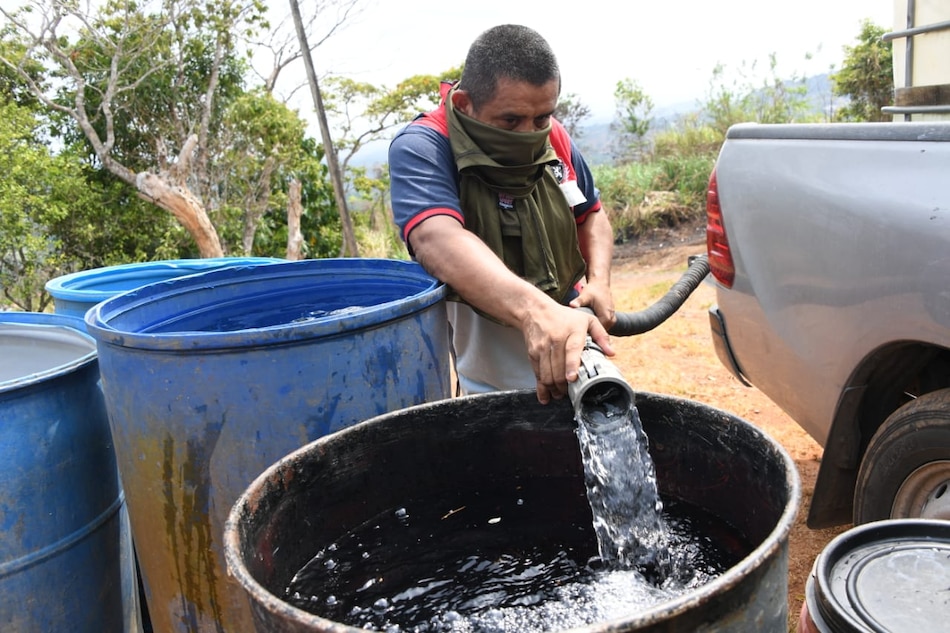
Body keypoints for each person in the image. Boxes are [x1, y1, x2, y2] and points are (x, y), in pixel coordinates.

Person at [388, 23, 617, 405]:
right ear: (465, 105)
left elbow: (592, 215)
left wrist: (600, 281)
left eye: (541, 118)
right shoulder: (425, 145)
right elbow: (437, 238)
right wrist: (535, 313)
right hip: (485, 359)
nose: (529, 133)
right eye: (510, 121)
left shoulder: (554, 136)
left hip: (573, 336)